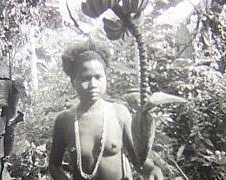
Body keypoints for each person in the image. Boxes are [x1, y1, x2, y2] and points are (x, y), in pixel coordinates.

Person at [49, 39, 164, 180]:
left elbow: (138, 159)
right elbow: (54, 165)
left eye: (98, 77)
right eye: (85, 78)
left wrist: (152, 168)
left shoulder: (119, 113)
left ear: (105, 78)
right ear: (73, 82)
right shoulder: (65, 120)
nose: (93, 84)